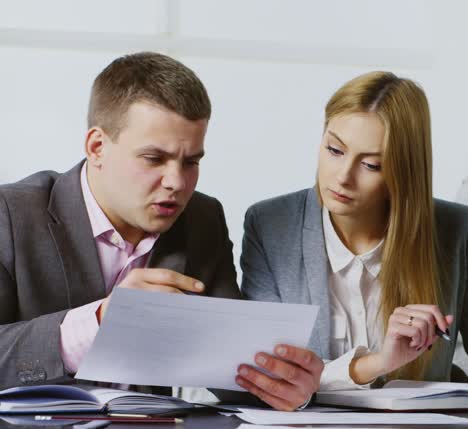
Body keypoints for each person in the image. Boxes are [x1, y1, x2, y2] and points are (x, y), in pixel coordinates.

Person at [0, 52, 322, 410]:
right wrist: (100, 322)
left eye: (191, 162)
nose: (176, 182)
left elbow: (231, 368)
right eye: (154, 159)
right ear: (97, 147)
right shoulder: (11, 215)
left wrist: (282, 383)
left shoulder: (202, 218)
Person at [239, 71, 468, 390]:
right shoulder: (270, 225)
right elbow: (264, 371)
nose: (343, 176)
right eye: (334, 150)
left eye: (371, 165)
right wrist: (377, 363)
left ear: (403, 173)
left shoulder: (457, 231)